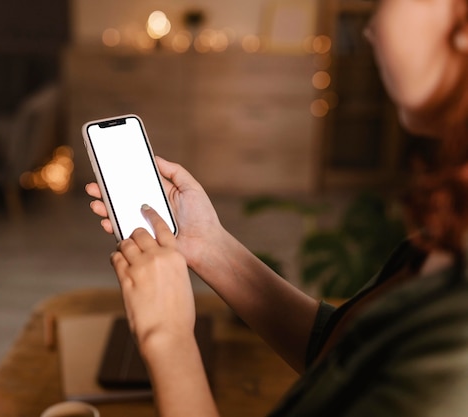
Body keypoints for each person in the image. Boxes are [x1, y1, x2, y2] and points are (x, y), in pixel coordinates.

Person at [85, 0, 468, 415]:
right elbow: (339, 356)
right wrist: (209, 245)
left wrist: (166, 338)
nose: (371, 28)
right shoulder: (447, 238)